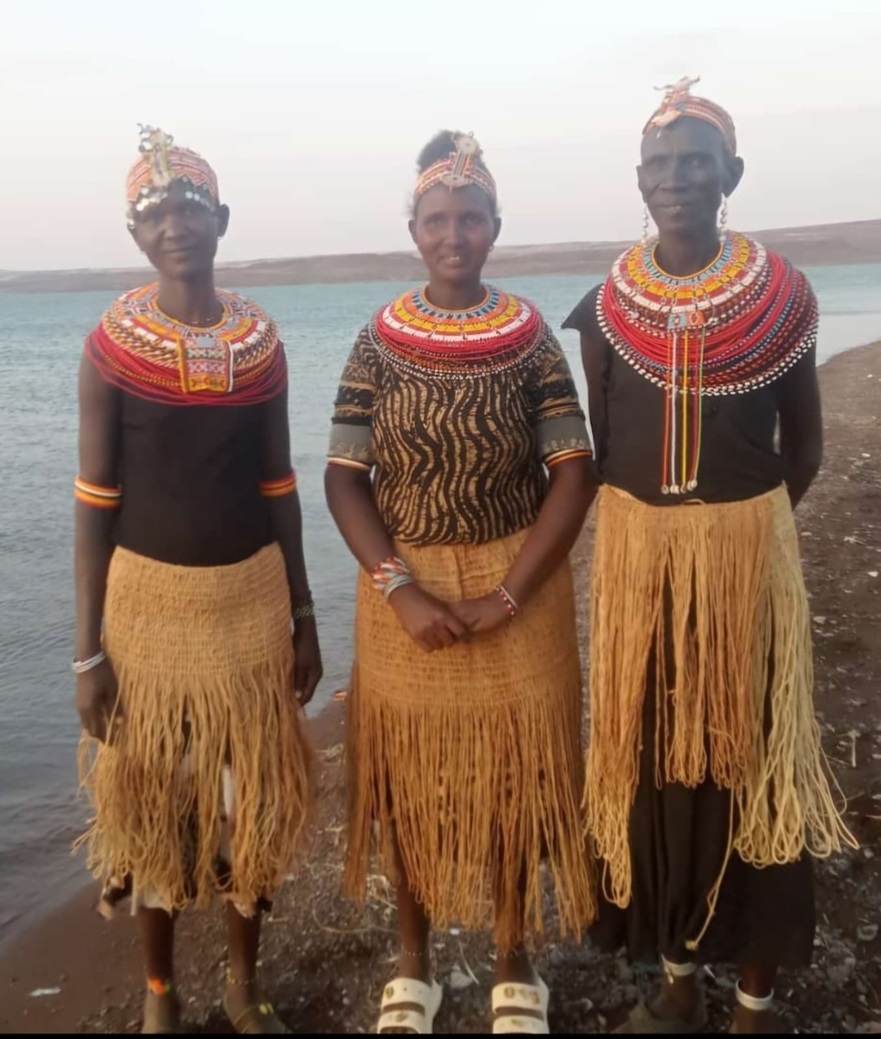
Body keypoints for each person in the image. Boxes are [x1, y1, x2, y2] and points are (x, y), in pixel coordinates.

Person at [563, 78, 856, 1034]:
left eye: (695, 162)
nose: (676, 178)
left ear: (731, 173)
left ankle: (755, 1002)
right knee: (655, 760)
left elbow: (801, 449)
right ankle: (677, 976)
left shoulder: (781, 299)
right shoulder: (604, 310)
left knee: (754, 757)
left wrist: (740, 541)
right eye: (659, 164)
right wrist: (666, 543)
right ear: (637, 180)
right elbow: (607, 456)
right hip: (641, 574)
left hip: (744, 565)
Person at [326, 131, 595, 1034]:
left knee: (517, 776)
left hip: (520, 584)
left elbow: (572, 471)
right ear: (413, 230)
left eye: (470, 217)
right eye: (436, 219)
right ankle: (414, 962)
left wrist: (507, 594)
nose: (453, 234)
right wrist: (399, 588)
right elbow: (343, 477)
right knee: (408, 778)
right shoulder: (376, 341)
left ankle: (515, 957)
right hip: (402, 592)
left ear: (494, 227)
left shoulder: (528, 337)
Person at [73, 126, 321, 1035]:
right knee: (157, 807)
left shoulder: (260, 343)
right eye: (153, 212)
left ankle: (243, 985)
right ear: (135, 235)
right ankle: (161, 991)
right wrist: (86, 654)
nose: (173, 224)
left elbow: (279, 484)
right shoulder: (111, 348)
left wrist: (304, 612)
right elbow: (94, 503)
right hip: (148, 620)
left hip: (250, 610)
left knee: (248, 804)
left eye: (189, 207)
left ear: (221, 219)